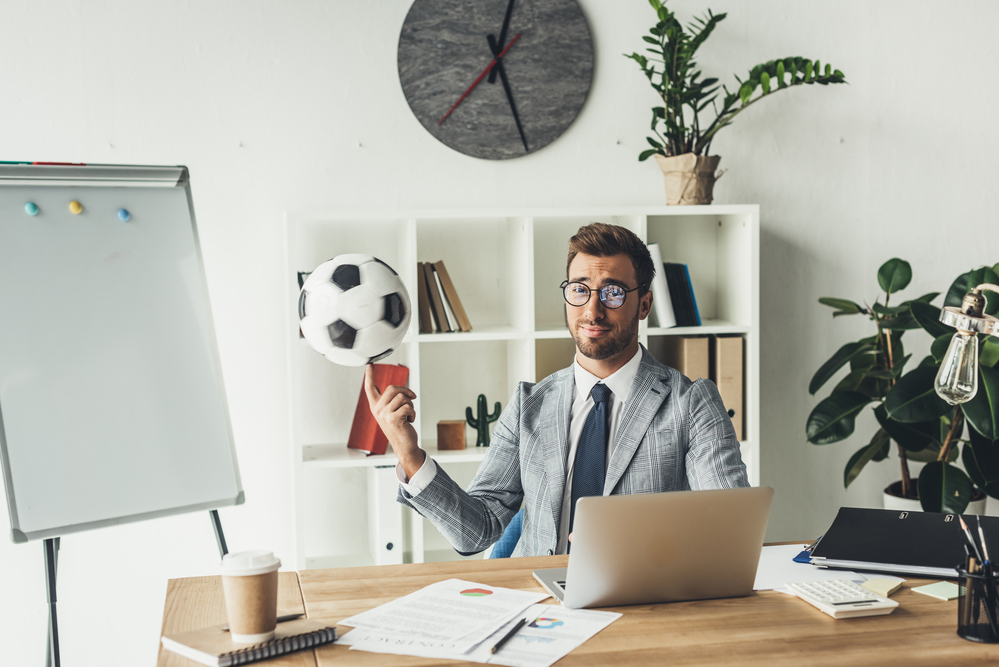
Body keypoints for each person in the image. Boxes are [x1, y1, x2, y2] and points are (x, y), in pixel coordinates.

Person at [364, 222, 748, 557]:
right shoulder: (529, 405)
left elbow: (730, 527)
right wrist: (409, 453)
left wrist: (635, 543)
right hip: (542, 604)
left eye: (613, 293)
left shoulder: (691, 403)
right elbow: (476, 531)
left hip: (643, 600)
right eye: (580, 289)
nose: (593, 311)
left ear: (644, 304)